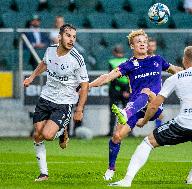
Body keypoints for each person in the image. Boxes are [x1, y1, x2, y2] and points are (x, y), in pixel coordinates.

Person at [108, 46, 192, 187]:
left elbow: (154, 105)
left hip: (183, 125)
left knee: (147, 142)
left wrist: (144, 120)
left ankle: (127, 180)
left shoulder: (177, 77)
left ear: (184, 61)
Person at [89, 29, 183, 181]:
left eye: (144, 42)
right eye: (138, 41)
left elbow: (177, 71)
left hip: (154, 104)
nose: (142, 44)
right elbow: (107, 77)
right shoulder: (129, 64)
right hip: (136, 107)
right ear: (132, 46)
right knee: (117, 136)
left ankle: (126, 113)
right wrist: (88, 85)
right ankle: (111, 169)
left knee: (146, 92)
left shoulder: (157, 60)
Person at [23, 24, 89, 181]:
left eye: (74, 37)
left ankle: (62, 131)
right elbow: (44, 64)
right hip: (46, 97)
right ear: (60, 37)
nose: (71, 39)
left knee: (47, 135)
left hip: (64, 102)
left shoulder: (77, 58)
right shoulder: (51, 49)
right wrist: (31, 78)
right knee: (37, 134)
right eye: (68, 35)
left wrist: (79, 109)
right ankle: (43, 173)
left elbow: (85, 86)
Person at [108, 44, 129, 136]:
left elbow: (130, 77)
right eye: (118, 52)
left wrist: (127, 90)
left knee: (127, 112)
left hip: (123, 90)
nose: (120, 54)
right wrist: (125, 89)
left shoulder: (127, 61)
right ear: (114, 53)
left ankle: (128, 131)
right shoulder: (111, 62)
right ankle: (111, 131)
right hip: (115, 90)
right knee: (113, 112)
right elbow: (111, 78)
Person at [147, 37, 164, 128]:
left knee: (159, 112)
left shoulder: (158, 59)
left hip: (156, 89)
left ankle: (158, 129)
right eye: (149, 46)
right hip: (143, 89)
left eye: (153, 46)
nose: (151, 48)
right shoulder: (140, 59)